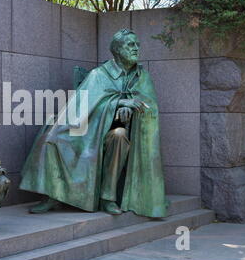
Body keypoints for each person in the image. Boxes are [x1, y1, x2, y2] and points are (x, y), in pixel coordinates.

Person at [19, 29, 167, 218]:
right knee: (51, 138)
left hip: (124, 125)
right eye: (131, 45)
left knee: (119, 135)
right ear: (118, 50)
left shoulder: (142, 76)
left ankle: (108, 198)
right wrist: (117, 103)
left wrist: (129, 109)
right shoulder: (99, 74)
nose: (136, 49)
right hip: (90, 126)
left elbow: (149, 105)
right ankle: (53, 194)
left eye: (137, 44)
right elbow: (80, 107)